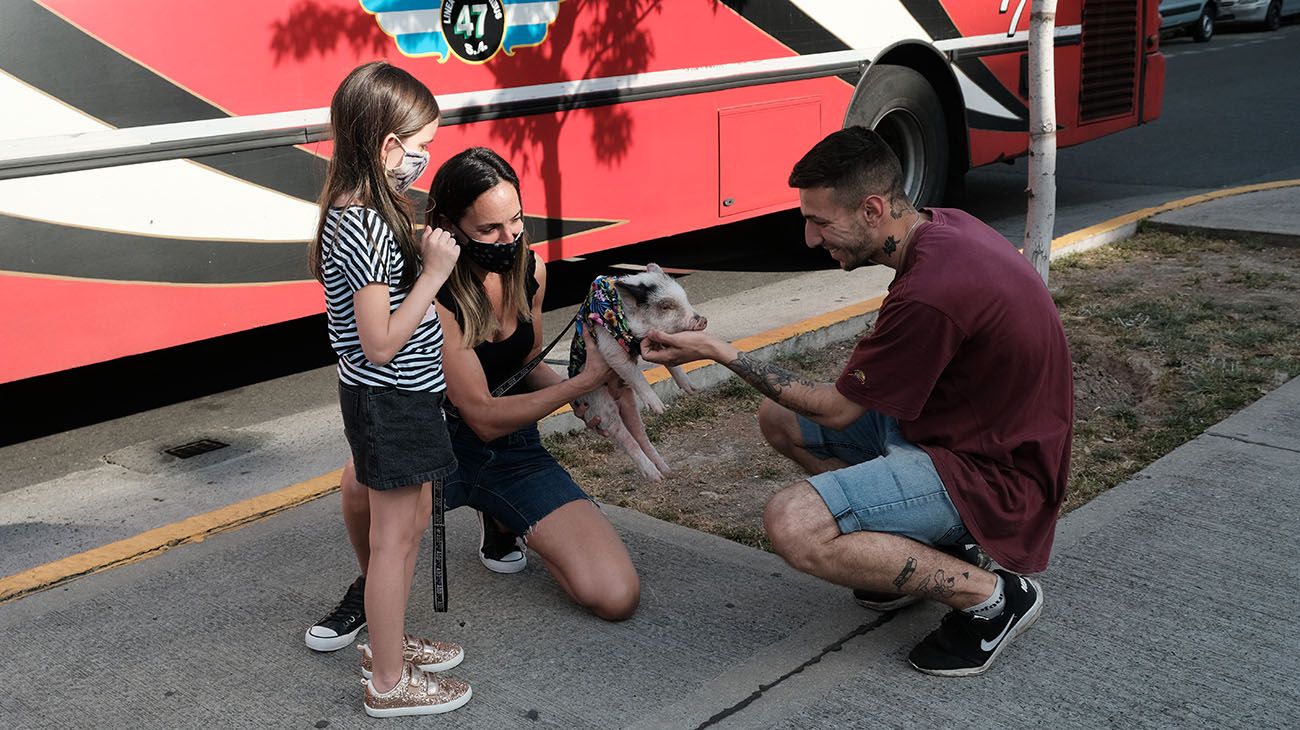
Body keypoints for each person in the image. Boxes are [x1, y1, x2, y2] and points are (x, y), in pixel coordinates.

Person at [641, 126, 1073, 677]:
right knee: (780, 417)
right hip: (955, 435)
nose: (810, 239)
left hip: (992, 476)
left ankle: (992, 598)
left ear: (872, 209)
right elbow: (850, 395)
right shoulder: (941, 230)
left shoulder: (932, 291)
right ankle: (916, 555)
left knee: (793, 523)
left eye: (820, 222)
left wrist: (719, 351)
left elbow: (839, 409)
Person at [307, 146, 640, 657]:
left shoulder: (531, 267)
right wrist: (577, 385)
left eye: (516, 221)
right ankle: (369, 585)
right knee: (358, 480)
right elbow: (481, 416)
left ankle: (504, 517)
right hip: (442, 447)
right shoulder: (430, 289)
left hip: (517, 450)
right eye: (488, 230)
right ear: (447, 225)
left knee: (615, 596)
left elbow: (527, 362)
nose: (508, 240)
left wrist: (593, 395)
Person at [307, 61, 471, 717]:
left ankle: (390, 647)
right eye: (420, 144)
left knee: (398, 536)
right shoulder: (368, 226)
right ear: (387, 147)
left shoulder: (354, 213)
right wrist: (433, 274)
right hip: (391, 397)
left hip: (392, 396)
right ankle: (388, 683)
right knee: (394, 542)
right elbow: (380, 340)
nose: (426, 159)